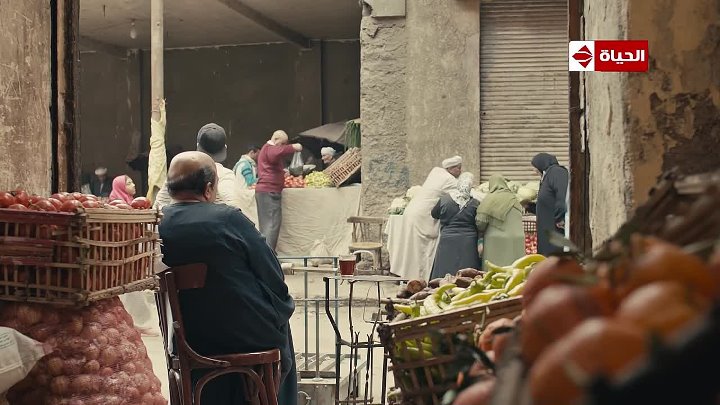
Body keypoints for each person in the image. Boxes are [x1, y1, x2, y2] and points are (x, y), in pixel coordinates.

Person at [159, 151, 297, 405]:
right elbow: (272, 274)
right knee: (281, 326)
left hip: (189, 339)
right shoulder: (228, 219)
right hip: (245, 337)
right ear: (208, 189)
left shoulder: (156, 224)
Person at [388, 156, 462, 281]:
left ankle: (408, 277)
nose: (460, 171)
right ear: (451, 169)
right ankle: (419, 279)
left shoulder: (436, 173)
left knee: (411, 248)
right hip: (422, 217)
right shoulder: (448, 179)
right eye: (458, 168)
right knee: (422, 250)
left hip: (412, 212)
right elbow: (462, 193)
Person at [153, 123, 241, 211]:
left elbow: (159, 206)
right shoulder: (225, 175)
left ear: (198, 146)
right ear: (225, 148)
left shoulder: (180, 170)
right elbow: (234, 207)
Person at [255, 130, 303, 251]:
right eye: (282, 143)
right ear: (275, 139)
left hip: (266, 191)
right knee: (271, 225)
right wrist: (293, 147)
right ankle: (268, 254)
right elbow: (275, 153)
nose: (283, 146)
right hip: (269, 191)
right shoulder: (269, 148)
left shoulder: (266, 149)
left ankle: (266, 252)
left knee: (267, 225)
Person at [429, 172, 481, 279]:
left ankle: (443, 285)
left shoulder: (445, 199)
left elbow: (434, 214)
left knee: (445, 270)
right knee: (467, 273)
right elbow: (478, 221)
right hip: (468, 241)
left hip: (447, 239)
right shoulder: (475, 203)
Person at [475, 174, 526, 270]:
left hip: (496, 241)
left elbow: (480, 221)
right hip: (517, 239)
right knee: (515, 270)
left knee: (496, 271)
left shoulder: (490, 199)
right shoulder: (514, 198)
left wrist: (480, 233)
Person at [527, 153, 569, 256]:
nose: (534, 170)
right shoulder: (547, 176)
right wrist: (528, 206)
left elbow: (562, 197)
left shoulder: (557, 172)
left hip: (555, 230)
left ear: (541, 163)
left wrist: (559, 218)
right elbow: (546, 204)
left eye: (535, 167)